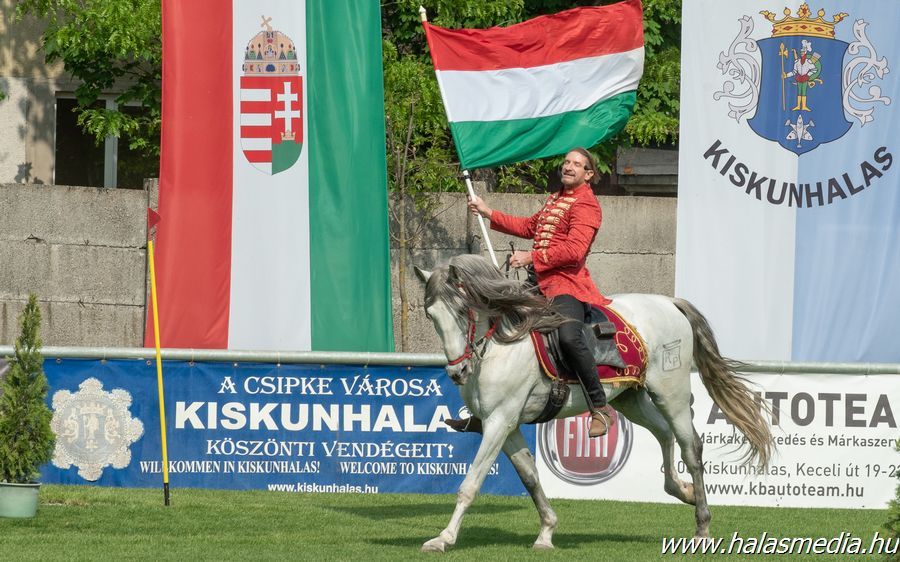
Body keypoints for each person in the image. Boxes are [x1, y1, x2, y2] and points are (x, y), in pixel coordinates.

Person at [450, 147, 612, 437]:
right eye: (566, 162)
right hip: (535, 284)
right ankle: (483, 409)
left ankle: (599, 407)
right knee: (494, 322)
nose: (568, 167)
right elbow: (529, 227)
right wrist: (489, 213)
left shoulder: (587, 205)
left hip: (566, 285)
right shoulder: (556, 199)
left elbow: (574, 251)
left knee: (569, 337)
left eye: (576, 164)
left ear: (588, 174)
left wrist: (531, 258)